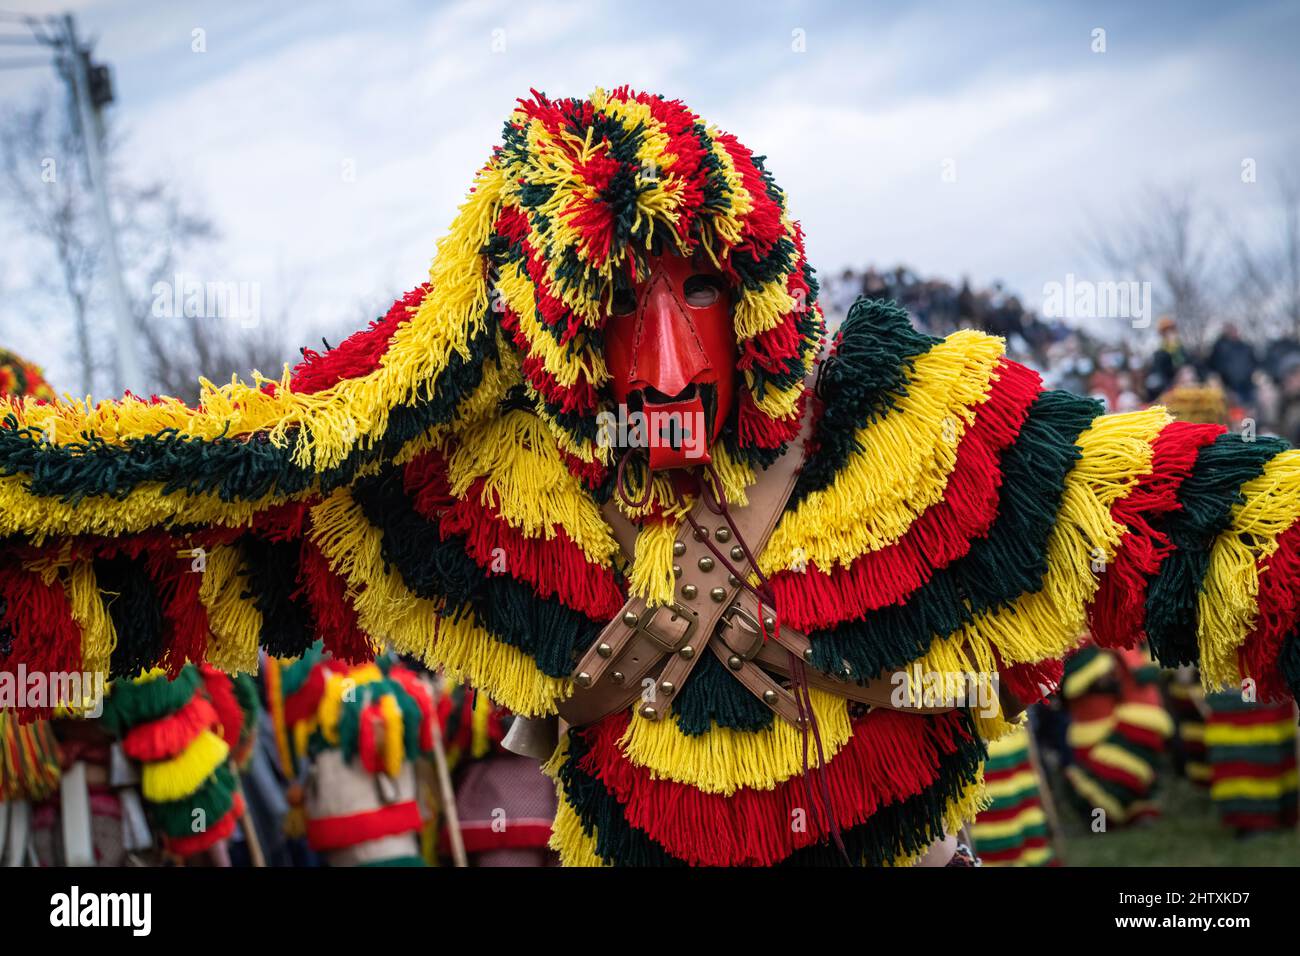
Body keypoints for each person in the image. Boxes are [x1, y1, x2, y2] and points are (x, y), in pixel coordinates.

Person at [1, 88, 1299, 867]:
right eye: (623, 299)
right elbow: (193, 586)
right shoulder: (483, 489)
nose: (671, 361)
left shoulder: (925, 426)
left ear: (766, 286)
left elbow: (1202, 528)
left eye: (703, 290)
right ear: (551, 318)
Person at [1206, 323, 1259, 406]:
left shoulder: (1246, 347)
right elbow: (1211, 366)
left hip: (1247, 385)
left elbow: (1255, 364)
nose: (1233, 332)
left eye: (1234, 330)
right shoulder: (1219, 347)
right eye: (1230, 330)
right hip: (1226, 386)